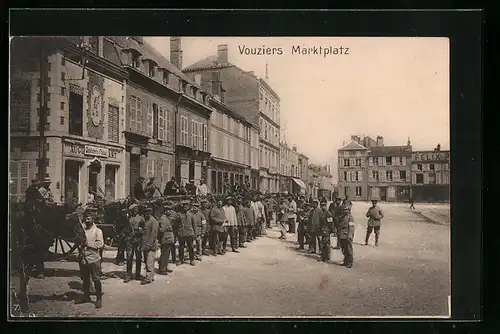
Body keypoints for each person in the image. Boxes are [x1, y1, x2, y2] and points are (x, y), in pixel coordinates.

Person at [75, 209, 104, 308]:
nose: (86, 220)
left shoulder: (97, 231)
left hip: (94, 259)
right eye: (85, 218)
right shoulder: (82, 230)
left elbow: (100, 244)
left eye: (89, 219)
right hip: (84, 259)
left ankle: (99, 299)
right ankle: (86, 297)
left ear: (93, 220)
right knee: (86, 279)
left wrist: (88, 244)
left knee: (96, 279)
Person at [123, 204, 144, 283]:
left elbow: (144, 228)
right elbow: (124, 229)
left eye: (136, 209)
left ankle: (137, 274)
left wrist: (139, 230)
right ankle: (129, 275)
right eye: (134, 209)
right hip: (129, 241)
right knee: (129, 257)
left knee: (138, 257)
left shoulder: (141, 218)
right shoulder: (128, 219)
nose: (135, 210)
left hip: (138, 240)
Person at [141, 206, 159, 285]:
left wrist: (149, 244)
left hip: (150, 245)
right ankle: (151, 275)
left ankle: (148, 277)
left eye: (147, 212)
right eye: (145, 212)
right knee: (147, 261)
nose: (146, 214)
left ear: (150, 213)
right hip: (145, 245)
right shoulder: (147, 220)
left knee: (149, 261)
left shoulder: (153, 221)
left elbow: (153, 234)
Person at [158, 205, 175, 275]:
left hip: (167, 239)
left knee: (166, 254)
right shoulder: (163, 219)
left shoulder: (165, 218)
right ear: (165, 211)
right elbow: (161, 230)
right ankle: (162, 269)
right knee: (165, 254)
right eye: (169, 210)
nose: (170, 211)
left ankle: (164, 267)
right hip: (166, 239)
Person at [338, 204, 355, 268]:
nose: (344, 211)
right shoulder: (342, 217)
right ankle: (345, 261)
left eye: (345, 210)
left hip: (347, 234)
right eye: (343, 210)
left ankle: (350, 262)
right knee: (344, 249)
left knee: (348, 249)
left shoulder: (350, 217)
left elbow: (351, 227)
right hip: (342, 234)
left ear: (348, 210)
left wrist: (350, 235)